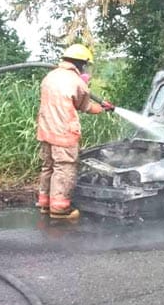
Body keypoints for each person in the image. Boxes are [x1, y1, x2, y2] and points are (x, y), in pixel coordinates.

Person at [36, 44, 114, 220]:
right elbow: (85, 106)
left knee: (48, 167)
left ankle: (45, 203)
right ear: (81, 64)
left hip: (46, 131)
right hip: (63, 132)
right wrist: (103, 108)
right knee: (64, 168)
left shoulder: (50, 76)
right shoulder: (77, 82)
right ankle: (60, 208)